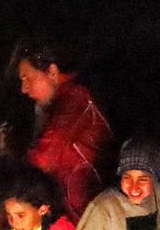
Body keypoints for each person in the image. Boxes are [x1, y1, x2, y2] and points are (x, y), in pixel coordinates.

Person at [14, 40, 114, 217]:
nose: (23, 89)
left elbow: (42, 160)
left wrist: (13, 146)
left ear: (52, 71)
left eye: (27, 78)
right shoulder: (68, 101)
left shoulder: (75, 102)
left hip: (92, 219)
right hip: (87, 217)